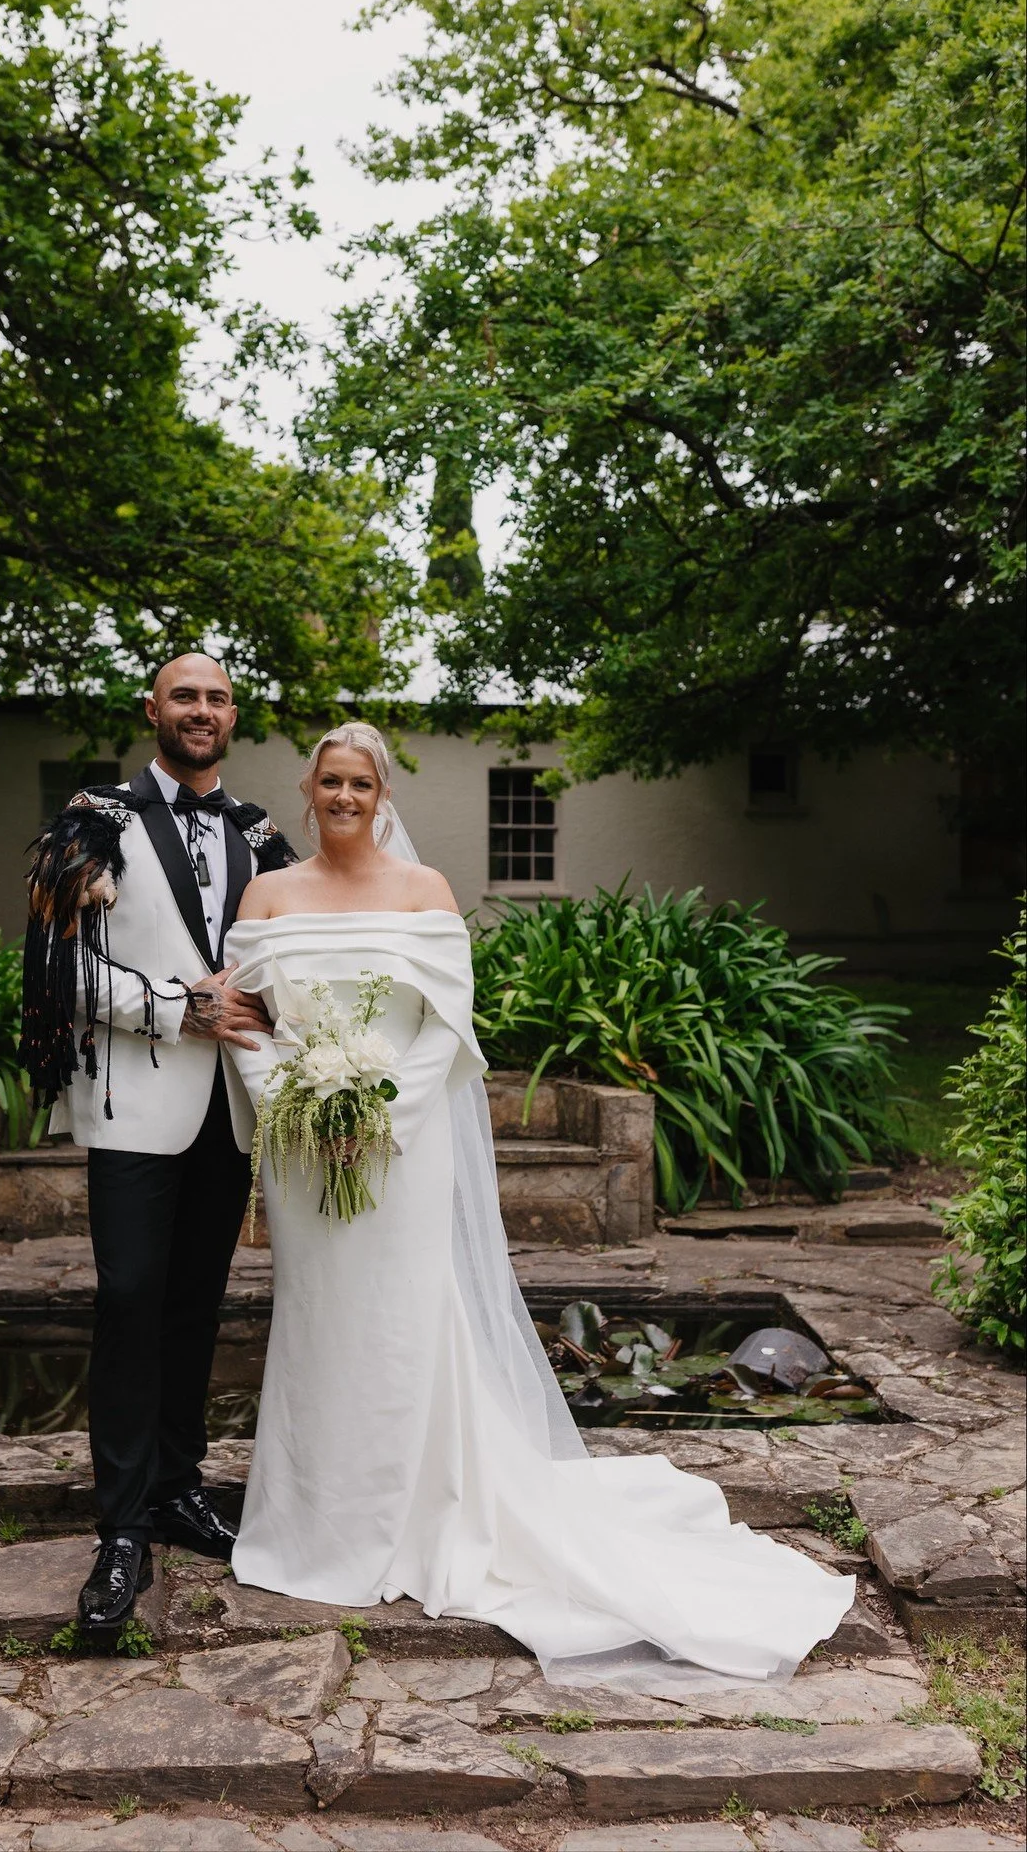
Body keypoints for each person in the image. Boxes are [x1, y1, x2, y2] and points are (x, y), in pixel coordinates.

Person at [222, 721, 855, 1685]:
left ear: (379, 794)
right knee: (318, 1319)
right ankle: (315, 1520)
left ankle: (417, 1508)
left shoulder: (422, 893)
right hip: (304, 1149)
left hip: (402, 1141)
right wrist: (296, 1106)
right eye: (329, 783)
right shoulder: (267, 895)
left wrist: (378, 1116)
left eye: (361, 784)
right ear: (305, 790)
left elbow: (445, 1031)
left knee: (402, 1318)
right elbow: (244, 1021)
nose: (344, 798)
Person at [21, 654, 296, 1640]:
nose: (202, 709)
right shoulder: (94, 819)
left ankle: (178, 1490)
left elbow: (294, 957)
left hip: (230, 1107)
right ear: (153, 710)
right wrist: (176, 1010)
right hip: (134, 1104)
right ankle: (123, 1525)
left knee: (192, 1306)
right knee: (131, 1298)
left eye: (217, 696)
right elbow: (60, 967)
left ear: (232, 715)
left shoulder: (264, 836)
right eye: (185, 694)